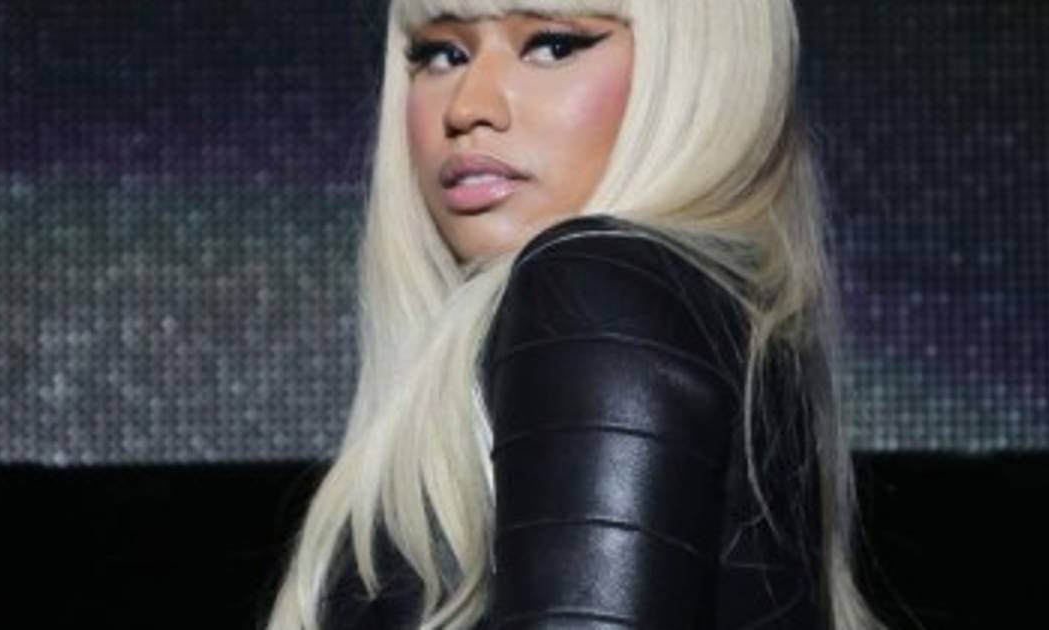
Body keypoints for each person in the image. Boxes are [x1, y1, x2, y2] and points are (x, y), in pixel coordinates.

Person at [266, 1, 887, 628]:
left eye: (554, 45)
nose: (467, 107)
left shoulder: (599, 288)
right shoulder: (710, 321)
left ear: (693, 72)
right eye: (442, 54)